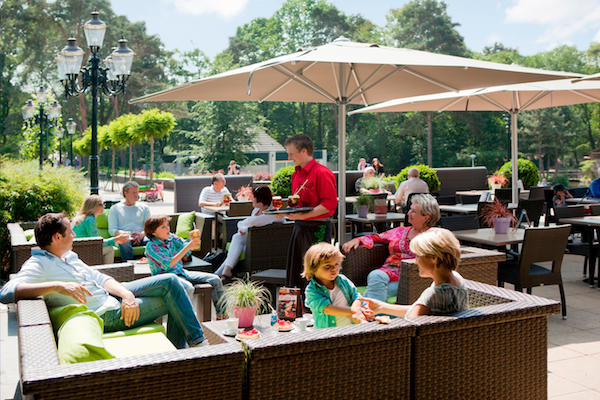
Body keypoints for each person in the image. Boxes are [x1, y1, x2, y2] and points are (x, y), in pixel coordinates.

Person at [0, 213, 208, 349]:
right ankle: (195, 346)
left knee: (173, 281)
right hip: (106, 314)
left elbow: (101, 278)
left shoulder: (69, 256)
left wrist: (126, 294)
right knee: (179, 293)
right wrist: (58, 286)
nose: (74, 234)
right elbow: (6, 292)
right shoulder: (39, 264)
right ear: (56, 237)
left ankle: (182, 350)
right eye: (70, 231)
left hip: (113, 297)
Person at [342, 194, 440, 302]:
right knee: (376, 281)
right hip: (387, 275)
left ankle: (371, 313)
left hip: (414, 279)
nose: (408, 213)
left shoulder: (434, 237)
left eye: (413, 211)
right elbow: (376, 237)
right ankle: (380, 315)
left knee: (374, 282)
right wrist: (358, 240)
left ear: (426, 217)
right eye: (410, 210)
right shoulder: (400, 231)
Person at [361, 228, 468, 318]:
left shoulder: (434, 295)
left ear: (434, 258)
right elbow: (420, 309)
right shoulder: (456, 280)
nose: (415, 262)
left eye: (418, 256)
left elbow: (411, 321)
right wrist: (382, 307)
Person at [280, 134, 337, 290]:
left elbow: (329, 205)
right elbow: (298, 204)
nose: (289, 157)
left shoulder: (322, 173)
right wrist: (285, 212)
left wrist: (303, 216)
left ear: (304, 151)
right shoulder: (296, 174)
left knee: (316, 270)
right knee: (296, 269)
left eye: (291, 153)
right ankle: (296, 310)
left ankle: (318, 309)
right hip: (299, 227)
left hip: (318, 228)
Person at [143, 215, 226, 318]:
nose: (168, 228)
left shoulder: (171, 238)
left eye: (167, 225)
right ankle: (186, 321)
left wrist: (193, 240)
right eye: (163, 227)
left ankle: (221, 317)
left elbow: (191, 248)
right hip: (165, 279)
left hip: (181, 273)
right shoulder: (151, 247)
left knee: (215, 279)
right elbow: (168, 264)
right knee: (188, 288)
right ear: (153, 232)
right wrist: (188, 246)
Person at [303, 243, 370, 329]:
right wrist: (352, 311)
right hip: (327, 334)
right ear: (313, 268)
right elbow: (327, 309)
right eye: (327, 266)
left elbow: (356, 296)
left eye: (336, 264)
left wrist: (356, 308)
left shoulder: (343, 280)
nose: (334, 269)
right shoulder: (312, 290)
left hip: (350, 329)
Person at [215, 186, 276, 279]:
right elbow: (245, 223)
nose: (251, 199)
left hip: (260, 246)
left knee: (236, 239)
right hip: (249, 242)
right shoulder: (256, 210)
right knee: (237, 240)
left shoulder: (270, 215)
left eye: (253, 197)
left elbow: (246, 223)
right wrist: (243, 228)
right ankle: (223, 273)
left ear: (260, 200)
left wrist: (242, 228)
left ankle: (219, 274)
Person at [72, 195, 131, 264]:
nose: (104, 206)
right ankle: (107, 271)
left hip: (77, 249)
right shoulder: (90, 220)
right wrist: (116, 239)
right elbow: (96, 242)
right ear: (94, 206)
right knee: (109, 249)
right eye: (102, 204)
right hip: (83, 250)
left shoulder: (83, 218)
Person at [108, 181, 151, 261]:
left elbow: (149, 227)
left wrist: (141, 234)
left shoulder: (144, 208)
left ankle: (152, 264)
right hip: (124, 237)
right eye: (134, 192)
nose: (136, 195)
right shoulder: (115, 208)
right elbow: (112, 230)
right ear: (125, 193)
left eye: (137, 192)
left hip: (141, 237)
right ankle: (129, 267)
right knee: (124, 241)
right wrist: (126, 234)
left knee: (154, 240)